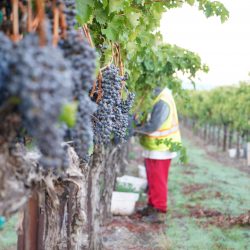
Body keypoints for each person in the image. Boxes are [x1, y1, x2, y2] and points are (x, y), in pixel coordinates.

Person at [134, 87, 181, 223]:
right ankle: (151, 206)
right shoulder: (158, 96)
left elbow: (153, 126)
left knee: (158, 180)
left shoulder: (163, 100)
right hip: (154, 146)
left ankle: (159, 211)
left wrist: (134, 130)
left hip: (161, 148)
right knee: (152, 180)